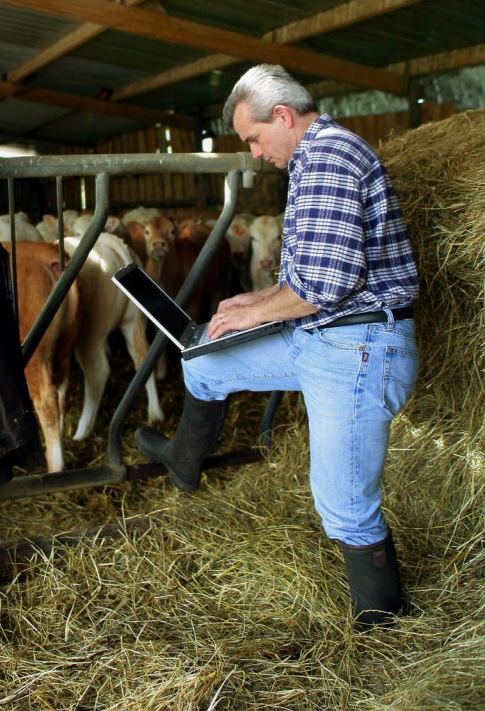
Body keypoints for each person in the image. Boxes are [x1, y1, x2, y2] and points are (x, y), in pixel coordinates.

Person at [135, 64, 419, 629]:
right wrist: (251, 302)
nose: (257, 153)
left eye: (254, 139)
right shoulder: (311, 162)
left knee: (344, 510)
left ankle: (384, 628)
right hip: (321, 335)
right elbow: (309, 277)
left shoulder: (332, 157)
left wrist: (257, 313)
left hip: (357, 348)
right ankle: (184, 462)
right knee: (204, 364)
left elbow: (329, 284)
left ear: (283, 117)